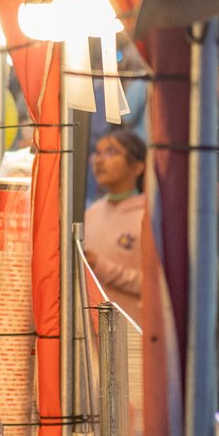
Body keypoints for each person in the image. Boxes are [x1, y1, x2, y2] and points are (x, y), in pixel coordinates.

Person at [82, 130, 147, 315]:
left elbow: (155, 286)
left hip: (132, 332)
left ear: (136, 168)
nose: (99, 161)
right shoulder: (91, 213)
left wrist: (101, 267)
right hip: (92, 332)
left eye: (111, 152)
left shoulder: (147, 217)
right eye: (97, 152)